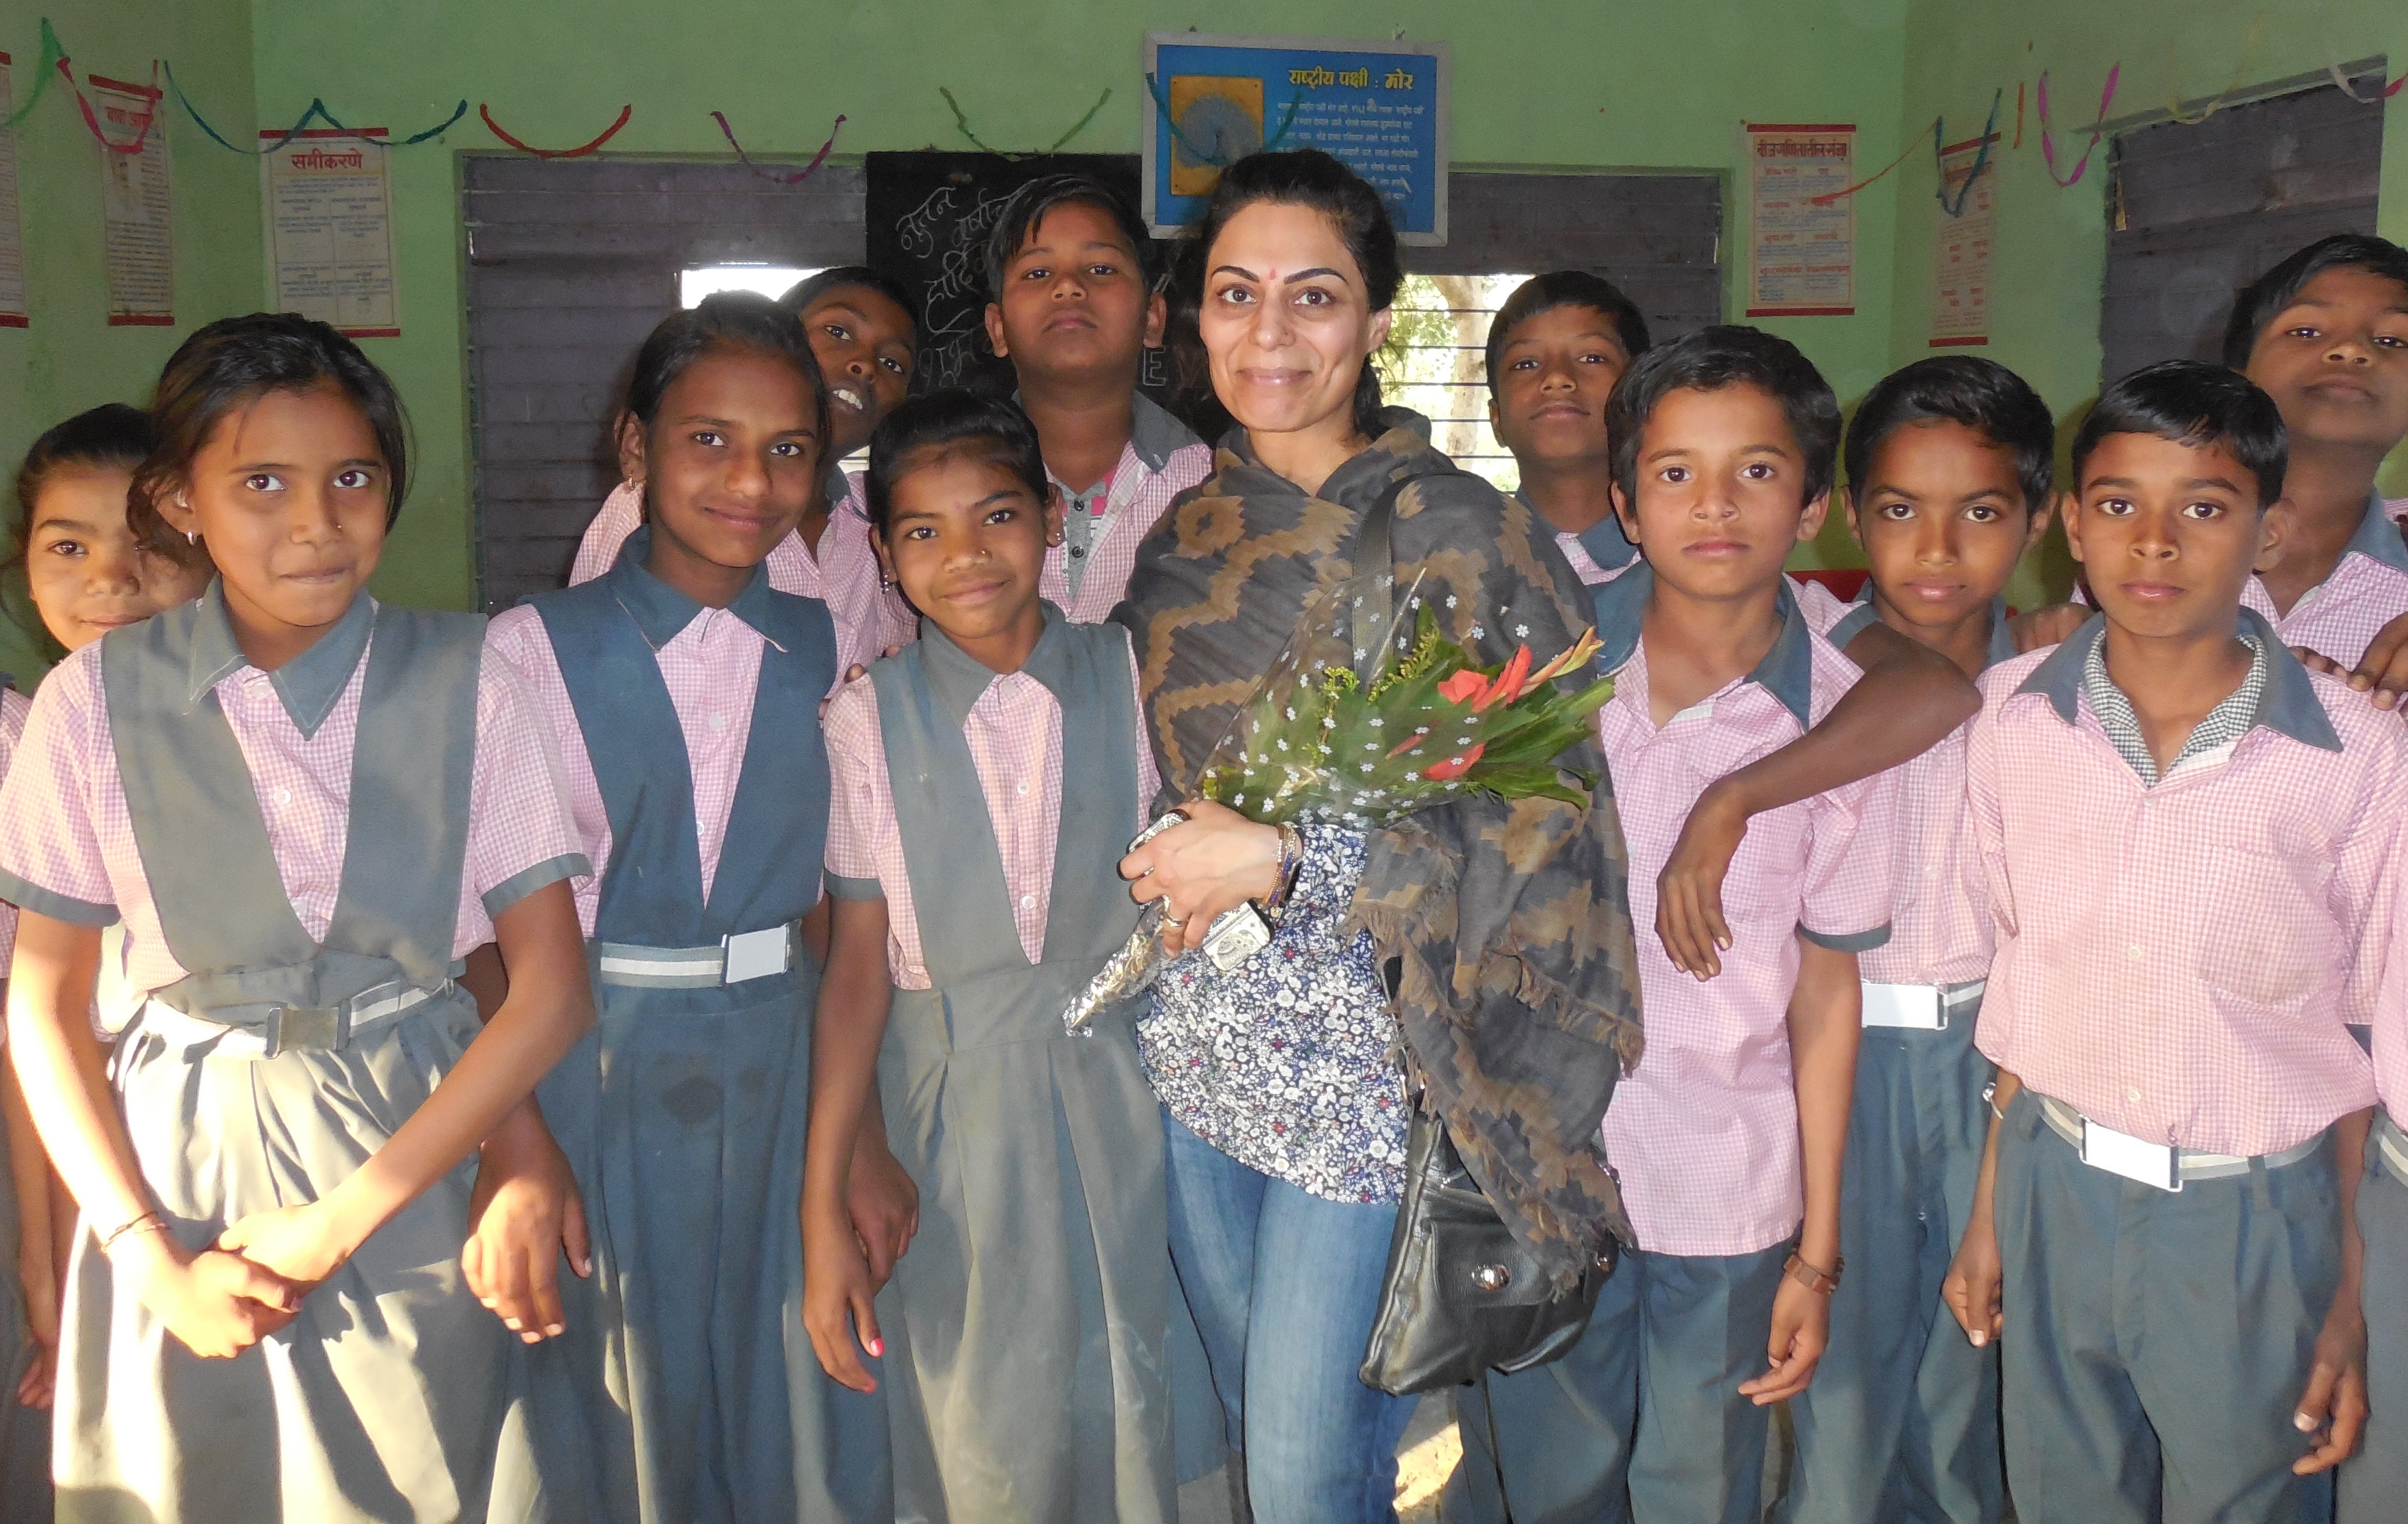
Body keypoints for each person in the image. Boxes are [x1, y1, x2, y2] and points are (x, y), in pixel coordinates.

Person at [1113, 148, 1643, 1524]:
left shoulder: (1460, 533)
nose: (1271, 333)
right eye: (1236, 294)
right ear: (1192, 314)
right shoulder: (1187, 532)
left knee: (1303, 1474)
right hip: (1204, 1046)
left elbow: (1546, 829)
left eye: (1314, 295)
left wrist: (1294, 861)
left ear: (1375, 323)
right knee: (1275, 1439)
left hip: (1380, 1065)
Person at [0, 313, 596, 1522]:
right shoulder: (93, 702)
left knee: (434, 1471)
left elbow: (548, 988)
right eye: (262, 482)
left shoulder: (474, 675)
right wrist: (145, 1257)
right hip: (181, 1175)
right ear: (178, 499)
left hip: (413, 1155)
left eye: (353, 478)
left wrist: (340, 1224)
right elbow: (44, 1007)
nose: (317, 522)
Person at [1455, 326, 1893, 1524]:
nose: (1713, 505)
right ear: (1623, 504)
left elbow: (1824, 991)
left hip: (1727, 1183)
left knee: (1698, 1485)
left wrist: (1816, 1247)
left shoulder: (1847, 728)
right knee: (1549, 1482)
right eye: (1672, 473)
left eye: (1754, 470)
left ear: (1810, 507)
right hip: (1545, 1171)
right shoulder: (1532, 672)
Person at [1946, 360, 2397, 1521]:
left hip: (2251, 1221)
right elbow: (2020, 978)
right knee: (2062, 1494)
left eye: (2202, 506)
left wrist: (2348, 1288)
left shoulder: (2356, 752)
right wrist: (1991, 1216)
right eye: (2117, 505)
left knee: (2247, 1496)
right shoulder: (2009, 720)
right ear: (2070, 531)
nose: (2155, 543)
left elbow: (2367, 1023)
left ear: (2269, 529)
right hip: (2054, 1179)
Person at [486, 293, 894, 1522]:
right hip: (588, 1064)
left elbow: (838, 915)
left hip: (784, 1069)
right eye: (707, 440)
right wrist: (514, 1151)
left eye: (787, 450)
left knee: (795, 1385)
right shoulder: (532, 647)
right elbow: (478, 940)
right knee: (613, 1402)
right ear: (635, 451)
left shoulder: (834, 641)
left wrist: (863, 1137)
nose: (749, 481)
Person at [804, 388, 1180, 1522]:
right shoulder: (862, 720)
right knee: (978, 1417)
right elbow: (855, 966)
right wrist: (832, 1188)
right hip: (945, 1111)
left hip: (1134, 1103)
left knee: (1137, 1395)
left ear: (1052, 527)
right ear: (884, 554)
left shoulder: (1135, 679)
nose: (965, 556)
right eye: (923, 531)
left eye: (998, 518)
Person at [1486, 272, 1979, 983]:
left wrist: (1734, 796)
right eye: (1676, 474)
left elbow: (1931, 688)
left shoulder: (1763, 600)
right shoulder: (1487, 576)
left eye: (1591, 358)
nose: (1713, 505)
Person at [1773, 356, 2054, 1524]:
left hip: (2008, 1062)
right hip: (1834, 1062)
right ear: (1848, 513)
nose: (1937, 552)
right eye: (1899, 511)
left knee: (1979, 1372)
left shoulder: (2063, 691)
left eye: (1981, 514)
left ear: (2039, 520)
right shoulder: (1799, 664)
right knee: (1834, 1376)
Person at [0, 403, 213, 1515]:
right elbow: (34, 1025)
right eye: (66, 548)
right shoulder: (31, 749)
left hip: (249, 1143)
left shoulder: (265, 734)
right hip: (95, 1149)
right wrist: (45, 1261)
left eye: (150, 544)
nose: (111, 581)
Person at [2015, 234, 2408, 672]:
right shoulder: (2135, 544)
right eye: (2306, 331)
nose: (2350, 350)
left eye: (2393, 341)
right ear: (2238, 374)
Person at [572, 266, 921, 675]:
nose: (865, 365)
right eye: (838, 333)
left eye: (893, 363)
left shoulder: (887, 516)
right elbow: (590, 659)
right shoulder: (654, 507)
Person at [984, 174, 1214, 621]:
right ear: (998, 329)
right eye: (1037, 273)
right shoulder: (949, 484)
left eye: (1102, 270)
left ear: (1152, 317)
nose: (1068, 287)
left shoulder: (1212, 486)